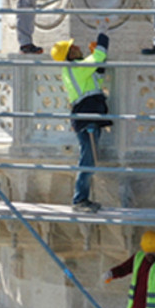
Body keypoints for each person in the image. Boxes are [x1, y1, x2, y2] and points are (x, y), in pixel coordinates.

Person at [51, 30, 111, 212]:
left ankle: (82, 199)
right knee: (87, 159)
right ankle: (80, 200)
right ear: (70, 54)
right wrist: (102, 39)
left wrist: (97, 61)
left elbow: (97, 77)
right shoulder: (76, 68)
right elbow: (99, 56)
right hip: (87, 116)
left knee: (89, 158)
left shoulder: (77, 69)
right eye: (73, 47)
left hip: (88, 115)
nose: (77, 47)